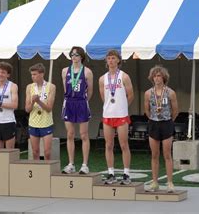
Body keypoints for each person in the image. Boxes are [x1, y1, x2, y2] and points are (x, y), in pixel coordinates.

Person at [98, 49, 134, 185]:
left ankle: (126, 173)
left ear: (118, 60)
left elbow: (130, 95)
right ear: (106, 61)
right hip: (108, 114)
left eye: (113, 58)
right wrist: (111, 106)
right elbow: (104, 97)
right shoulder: (102, 79)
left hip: (121, 115)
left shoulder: (124, 76)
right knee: (108, 145)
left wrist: (123, 106)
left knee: (124, 144)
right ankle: (111, 173)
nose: (111, 61)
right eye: (109, 58)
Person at [144, 65, 179, 193]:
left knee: (167, 154)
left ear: (164, 77)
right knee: (154, 154)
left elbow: (175, 111)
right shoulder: (148, 93)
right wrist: (153, 119)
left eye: (159, 75)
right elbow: (146, 110)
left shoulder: (170, 92)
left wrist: (169, 120)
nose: (156, 78)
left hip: (167, 123)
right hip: (153, 123)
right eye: (154, 75)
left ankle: (170, 182)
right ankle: (155, 182)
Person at [61, 46, 94, 174]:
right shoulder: (65, 71)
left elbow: (90, 91)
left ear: (81, 57)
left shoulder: (87, 72)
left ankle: (85, 165)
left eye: (76, 55)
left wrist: (83, 101)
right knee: (70, 134)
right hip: (69, 102)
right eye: (72, 55)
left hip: (81, 102)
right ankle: (71, 164)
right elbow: (65, 88)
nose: (74, 57)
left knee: (84, 134)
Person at [25, 63, 56, 160]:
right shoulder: (29, 87)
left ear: (42, 74)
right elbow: (27, 109)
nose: (32, 77)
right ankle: (37, 173)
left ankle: (47, 172)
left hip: (46, 122)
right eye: (32, 74)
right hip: (33, 123)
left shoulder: (51, 87)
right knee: (35, 152)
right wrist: (33, 102)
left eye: (35, 74)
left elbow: (49, 108)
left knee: (47, 152)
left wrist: (39, 101)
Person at [0, 62, 18, 149]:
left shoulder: (13, 86)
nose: (0, 74)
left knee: (9, 153)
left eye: (3, 72)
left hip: (8, 121)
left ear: (8, 75)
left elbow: (15, 105)